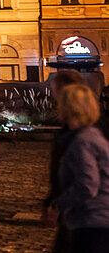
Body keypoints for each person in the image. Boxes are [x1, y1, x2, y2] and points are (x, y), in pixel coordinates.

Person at [56, 83, 109, 250]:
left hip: (92, 221)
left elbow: (87, 185)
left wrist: (59, 205)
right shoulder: (93, 135)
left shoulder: (82, 141)